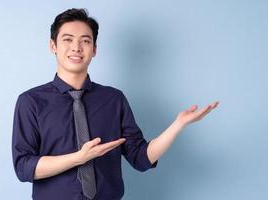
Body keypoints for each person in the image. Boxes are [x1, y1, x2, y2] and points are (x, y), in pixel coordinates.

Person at [12, 8, 219, 200]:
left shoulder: (113, 99)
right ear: (53, 46)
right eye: (68, 39)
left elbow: (141, 158)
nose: (76, 47)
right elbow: (24, 167)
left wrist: (178, 125)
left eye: (85, 41)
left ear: (94, 49)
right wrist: (79, 158)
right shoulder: (31, 102)